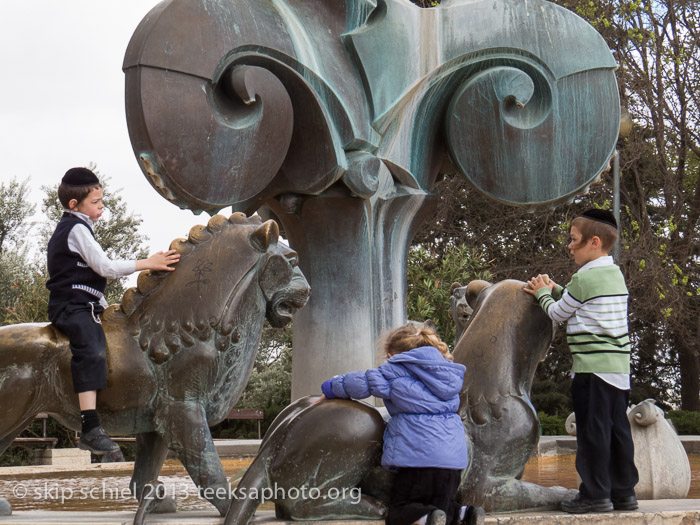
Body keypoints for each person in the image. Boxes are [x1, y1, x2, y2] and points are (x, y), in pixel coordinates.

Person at [46, 167, 180, 455]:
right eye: (95, 202)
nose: (101, 206)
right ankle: (90, 427)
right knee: (91, 348)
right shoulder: (76, 228)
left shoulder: (81, 227)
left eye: (102, 200)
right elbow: (104, 268)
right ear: (74, 205)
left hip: (87, 305)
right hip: (70, 307)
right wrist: (148, 262)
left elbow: (91, 284)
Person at [524, 208, 639, 514]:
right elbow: (578, 301)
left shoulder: (585, 277)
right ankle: (623, 492)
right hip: (617, 370)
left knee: (592, 433)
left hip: (591, 370)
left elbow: (558, 313)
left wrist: (541, 293)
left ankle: (594, 494)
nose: (569, 246)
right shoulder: (612, 274)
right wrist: (556, 290)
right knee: (617, 431)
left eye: (573, 240)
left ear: (594, 242)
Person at [318, 323, 485, 525]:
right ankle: (466, 514)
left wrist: (329, 387)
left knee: (401, 507)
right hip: (452, 461)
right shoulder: (448, 373)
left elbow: (362, 383)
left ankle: (425, 518)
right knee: (445, 505)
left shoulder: (394, 370)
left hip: (417, 460)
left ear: (391, 355)